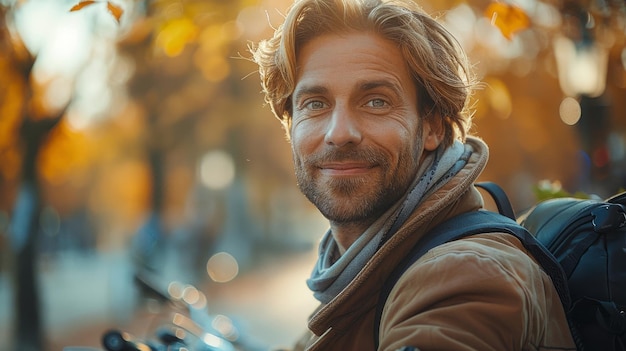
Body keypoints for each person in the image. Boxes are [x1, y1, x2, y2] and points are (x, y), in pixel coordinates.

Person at [251, 0, 576, 350]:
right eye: (315, 103)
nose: (339, 132)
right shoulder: (365, 275)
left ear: (432, 126)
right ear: (290, 125)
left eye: (376, 101)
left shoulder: (463, 275)